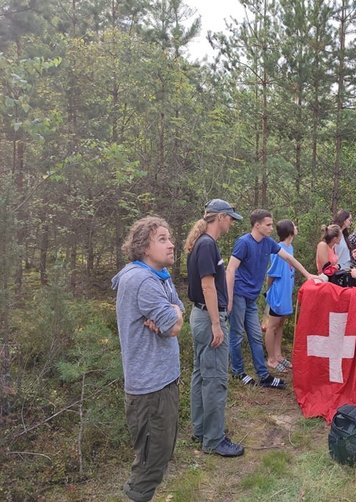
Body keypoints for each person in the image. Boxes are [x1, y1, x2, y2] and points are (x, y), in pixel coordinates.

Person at [112, 216, 184, 501]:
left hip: (162, 381)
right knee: (149, 464)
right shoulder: (142, 280)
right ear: (144, 247)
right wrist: (171, 319)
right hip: (149, 390)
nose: (171, 244)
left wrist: (170, 315)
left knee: (159, 453)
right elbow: (176, 326)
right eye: (162, 239)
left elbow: (176, 314)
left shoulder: (159, 277)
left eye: (170, 238)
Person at [226, 209, 319, 389]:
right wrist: (229, 298)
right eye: (268, 224)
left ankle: (263, 375)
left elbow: (288, 258)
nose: (271, 228)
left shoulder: (268, 243)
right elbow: (230, 270)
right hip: (238, 296)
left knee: (254, 335)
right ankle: (238, 372)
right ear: (257, 225)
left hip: (251, 298)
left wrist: (308, 275)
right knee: (237, 335)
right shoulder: (243, 243)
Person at [185, 198, 245, 457]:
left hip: (200, 316)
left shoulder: (203, 243)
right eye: (230, 217)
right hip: (208, 319)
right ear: (219, 217)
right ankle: (213, 439)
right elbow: (207, 286)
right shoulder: (207, 244)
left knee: (201, 376)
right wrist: (216, 324)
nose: (232, 222)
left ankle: (201, 430)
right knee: (215, 380)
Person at [264, 219, 297, 373]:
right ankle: (270, 358)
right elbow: (271, 274)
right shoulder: (278, 250)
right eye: (294, 226)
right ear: (290, 231)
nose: (296, 228)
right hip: (278, 293)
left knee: (281, 324)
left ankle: (278, 355)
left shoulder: (291, 248)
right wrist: (269, 292)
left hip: (286, 292)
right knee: (272, 326)